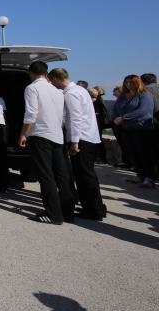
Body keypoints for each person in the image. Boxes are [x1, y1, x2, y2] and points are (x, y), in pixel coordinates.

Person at [18, 61, 75, 224]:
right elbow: (63, 116)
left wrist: (23, 134)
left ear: (31, 73)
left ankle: (53, 214)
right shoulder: (57, 91)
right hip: (57, 136)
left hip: (41, 136)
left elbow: (31, 114)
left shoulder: (32, 88)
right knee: (61, 175)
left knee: (45, 175)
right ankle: (67, 212)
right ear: (46, 73)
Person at [48, 68, 107, 219]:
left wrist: (74, 141)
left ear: (55, 78)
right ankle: (96, 206)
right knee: (87, 174)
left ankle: (93, 209)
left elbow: (75, 118)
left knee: (84, 175)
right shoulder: (80, 90)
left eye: (52, 81)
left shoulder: (71, 94)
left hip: (81, 139)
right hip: (89, 136)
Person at [113, 75, 155, 188]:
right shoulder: (122, 97)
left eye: (131, 82)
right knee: (133, 154)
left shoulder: (144, 95)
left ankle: (149, 178)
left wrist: (124, 117)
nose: (128, 84)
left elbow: (144, 111)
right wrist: (116, 118)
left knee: (144, 154)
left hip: (141, 129)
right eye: (126, 82)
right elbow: (116, 109)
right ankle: (140, 176)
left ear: (138, 82)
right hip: (126, 129)